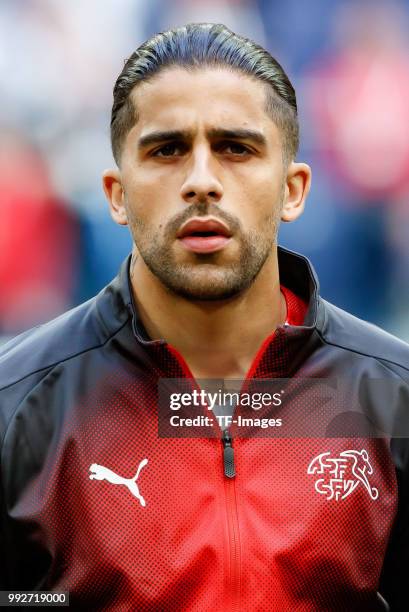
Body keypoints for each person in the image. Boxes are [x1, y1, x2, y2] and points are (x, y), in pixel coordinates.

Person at [0, 23, 408, 611]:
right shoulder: (17, 407)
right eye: (166, 150)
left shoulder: (392, 397)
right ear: (115, 193)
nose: (201, 182)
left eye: (236, 148)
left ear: (293, 189)